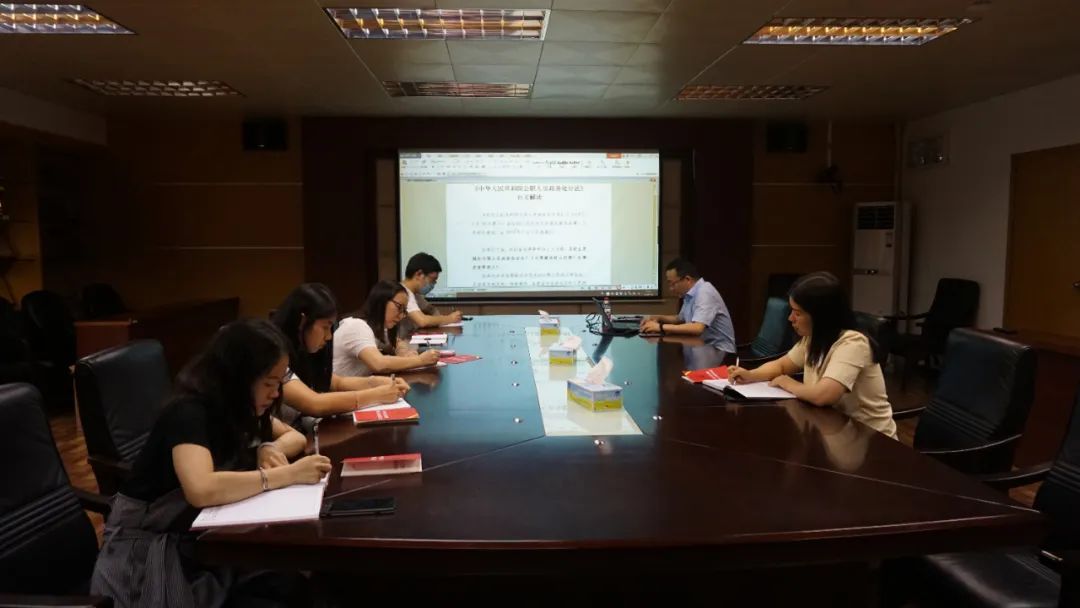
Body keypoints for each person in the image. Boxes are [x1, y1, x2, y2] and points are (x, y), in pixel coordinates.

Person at [91, 319, 331, 607]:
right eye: (269, 383)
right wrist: (287, 475)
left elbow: (294, 438)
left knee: (294, 584)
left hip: (198, 538)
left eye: (279, 384)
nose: (276, 394)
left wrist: (266, 448)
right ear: (239, 377)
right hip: (147, 556)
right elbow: (201, 489)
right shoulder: (188, 412)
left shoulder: (237, 407)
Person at [727, 272, 897, 438]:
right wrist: (751, 375)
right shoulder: (814, 338)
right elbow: (782, 365)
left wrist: (787, 382)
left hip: (871, 440)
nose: (790, 318)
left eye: (798, 313)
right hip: (832, 430)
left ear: (821, 316)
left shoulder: (853, 343)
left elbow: (824, 396)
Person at [271, 283, 409, 429]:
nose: (329, 336)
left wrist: (377, 382)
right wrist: (377, 395)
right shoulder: (274, 354)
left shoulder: (304, 350)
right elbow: (315, 403)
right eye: (325, 327)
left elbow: (337, 382)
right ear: (303, 321)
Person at [334, 279, 442, 377]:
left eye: (404, 311)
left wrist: (403, 352)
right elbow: (379, 364)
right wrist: (420, 360)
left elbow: (397, 342)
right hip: (337, 391)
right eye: (399, 307)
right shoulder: (357, 326)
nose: (401, 316)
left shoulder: (376, 328)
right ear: (381, 301)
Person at [640, 258, 736, 352]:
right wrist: (658, 318)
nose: (671, 289)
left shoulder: (705, 292)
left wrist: (660, 327)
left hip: (720, 352)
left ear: (687, 279)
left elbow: (697, 328)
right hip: (702, 348)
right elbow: (680, 319)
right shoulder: (690, 294)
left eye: (672, 284)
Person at [398, 252, 462, 335]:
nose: (433, 284)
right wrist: (450, 318)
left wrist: (441, 319)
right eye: (432, 280)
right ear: (419, 274)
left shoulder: (415, 294)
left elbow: (432, 310)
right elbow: (422, 321)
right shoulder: (402, 293)